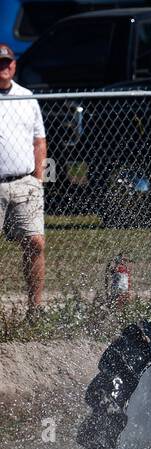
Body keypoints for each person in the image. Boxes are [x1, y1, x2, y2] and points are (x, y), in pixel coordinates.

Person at [0, 43, 46, 310]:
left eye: (7, 62)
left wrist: (37, 179)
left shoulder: (27, 97)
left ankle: (35, 308)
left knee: (35, 242)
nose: (3, 67)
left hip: (25, 182)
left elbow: (39, 140)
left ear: (14, 65)